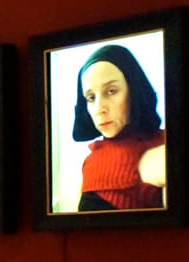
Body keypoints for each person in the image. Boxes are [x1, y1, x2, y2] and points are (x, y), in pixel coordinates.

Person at [71, 44, 165, 211]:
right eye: (91, 97)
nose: (100, 108)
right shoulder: (91, 163)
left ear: (134, 91)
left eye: (111, 91)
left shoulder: (167, 146)